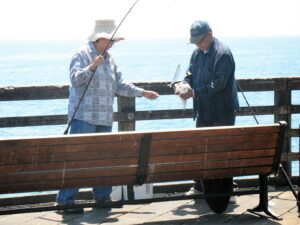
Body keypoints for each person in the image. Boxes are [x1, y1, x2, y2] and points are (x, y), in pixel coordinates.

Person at [56, 19, 159, 214]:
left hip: (104, 118)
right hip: (84, 117)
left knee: (104, 160)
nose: (112, 44)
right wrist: (92, 67)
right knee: (78, 160)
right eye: (111, 40)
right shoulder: (82, 53)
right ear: (100, 38)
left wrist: (142, 92)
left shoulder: (110, 58)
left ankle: (102, 198)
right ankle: (65, 201)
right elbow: (75, 79)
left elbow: (120, 85)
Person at [176, 20, 239, 213]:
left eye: (199, 41)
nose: (197, 45)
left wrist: (193, 93)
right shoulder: (197, 52)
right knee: (204, 152)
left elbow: (218, 86)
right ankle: (204, 189)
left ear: (209, 35)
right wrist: (183, 84)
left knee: (221, 154)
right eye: (194, 42)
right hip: (204, 112)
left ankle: (225, 193)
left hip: (222, 113)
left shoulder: (223, 54)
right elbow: (190, 72)